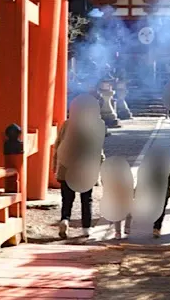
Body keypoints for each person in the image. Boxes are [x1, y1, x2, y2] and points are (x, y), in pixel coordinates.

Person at [53, 99, 105, 239]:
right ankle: (86, 229)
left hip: (65, 167)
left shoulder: (67, 124)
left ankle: (65, 219)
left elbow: (57, 144)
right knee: (86, 199)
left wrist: (55, 166)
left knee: (67, 199)